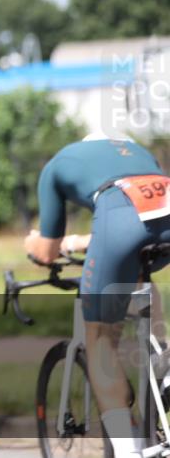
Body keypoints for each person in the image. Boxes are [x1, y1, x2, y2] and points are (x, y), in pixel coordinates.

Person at [25, 134, 170, 458]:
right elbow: (137, 220)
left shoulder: (58, 164)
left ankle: (127, 450)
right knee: (139, 278)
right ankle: (164, 361)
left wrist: (33, 244)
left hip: (120, 223)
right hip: (160, 216)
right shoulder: (139, 153)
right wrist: (78, 242)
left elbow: (48, 250)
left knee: (100, 342)